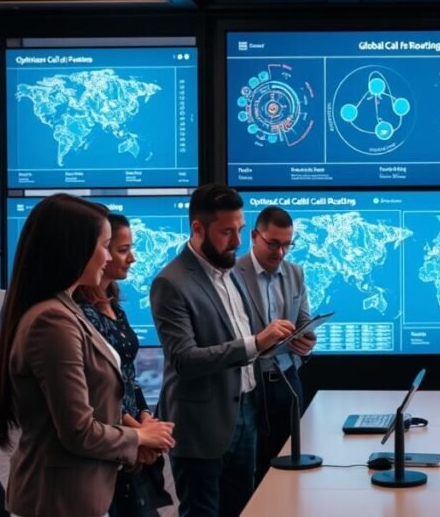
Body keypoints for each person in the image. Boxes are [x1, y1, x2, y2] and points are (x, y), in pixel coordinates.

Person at [0, 194, 176, 517]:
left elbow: (99, 397)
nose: (107, 258)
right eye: (105, 246)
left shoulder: (66, 310)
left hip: (82, 491)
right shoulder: (52, 321)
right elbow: (78, 431)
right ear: (73, 250)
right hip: (58, 500)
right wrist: (138, 436)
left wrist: (138, 438)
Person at [151, 184, 294, 517]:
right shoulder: (171, 283)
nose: (237, 241)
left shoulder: (231, 271)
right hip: (201, 425)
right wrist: (256, 342)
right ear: (198, 228)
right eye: (227, 232)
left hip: (245, 412)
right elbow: (184, 359)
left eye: (241, 229)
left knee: (243, 507)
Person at [74, 213, 174, 516]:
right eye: (119, 249)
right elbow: (96, 390)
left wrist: (145, 417)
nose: (131, 258)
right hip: (111, 439)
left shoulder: (112, 301)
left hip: (130, 430)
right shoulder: (79, 314)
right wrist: (139, 435)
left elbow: (126, 375)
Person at [234, 206, 317, 482]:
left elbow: (303, 320)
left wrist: (307, 340)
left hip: (288, 379)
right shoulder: (233, 274)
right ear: (255, 236)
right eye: (273, 244)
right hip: (251, 385)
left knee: (291, 463)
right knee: (252, 468)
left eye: (286, 245)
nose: (280, 253)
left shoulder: (295, 273)